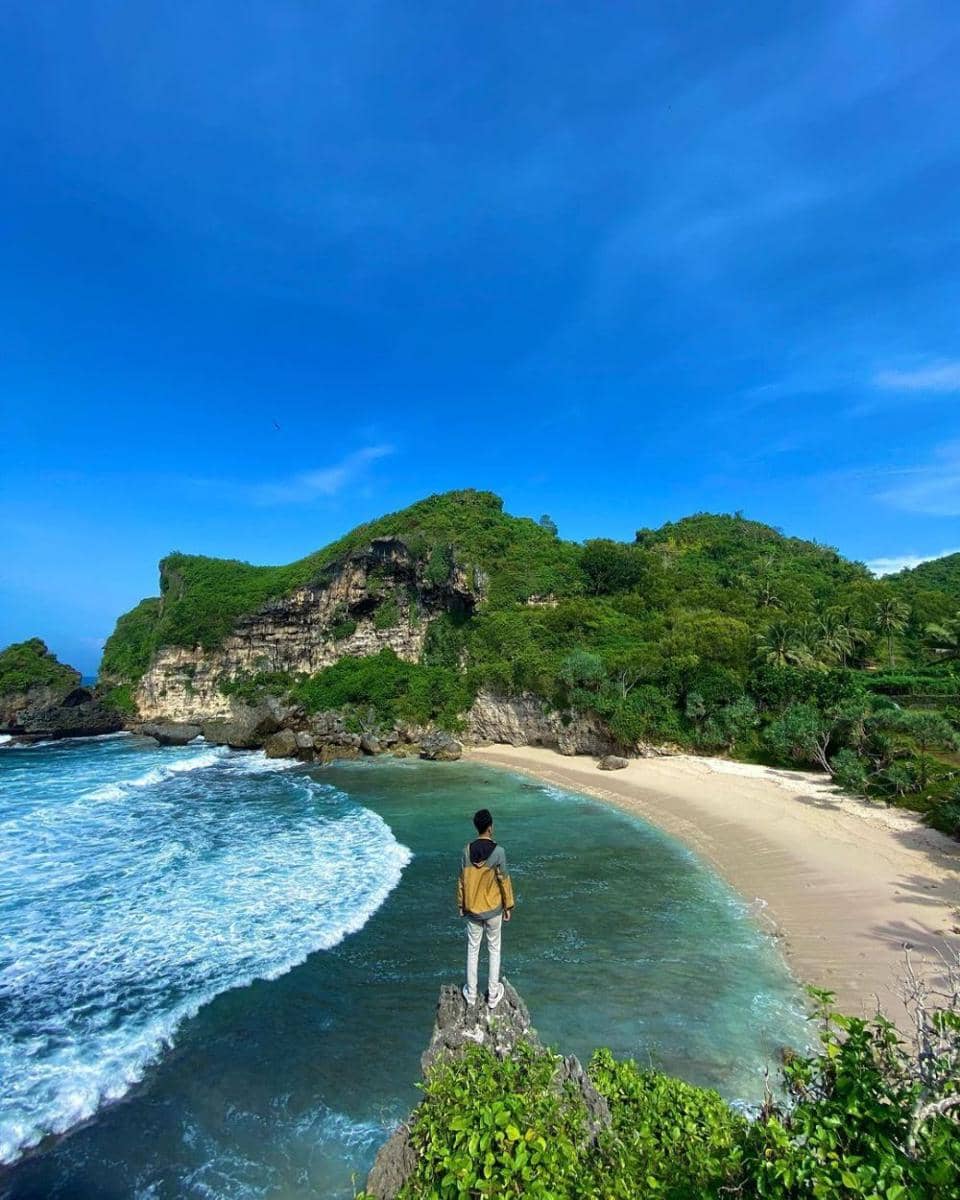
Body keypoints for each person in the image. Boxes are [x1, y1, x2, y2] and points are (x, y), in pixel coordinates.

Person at [457, 807, 515, 1009]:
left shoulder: (466, 851)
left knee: (472, 950)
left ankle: (471, 995)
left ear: (477, 827)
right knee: (494, 949)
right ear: (490, 827)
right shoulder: (499, 852)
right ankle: (492, 996)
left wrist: (461, 904)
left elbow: (462, 881)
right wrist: (508, 905)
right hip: (493, 909)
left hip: (472, 909)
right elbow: (504, 880)